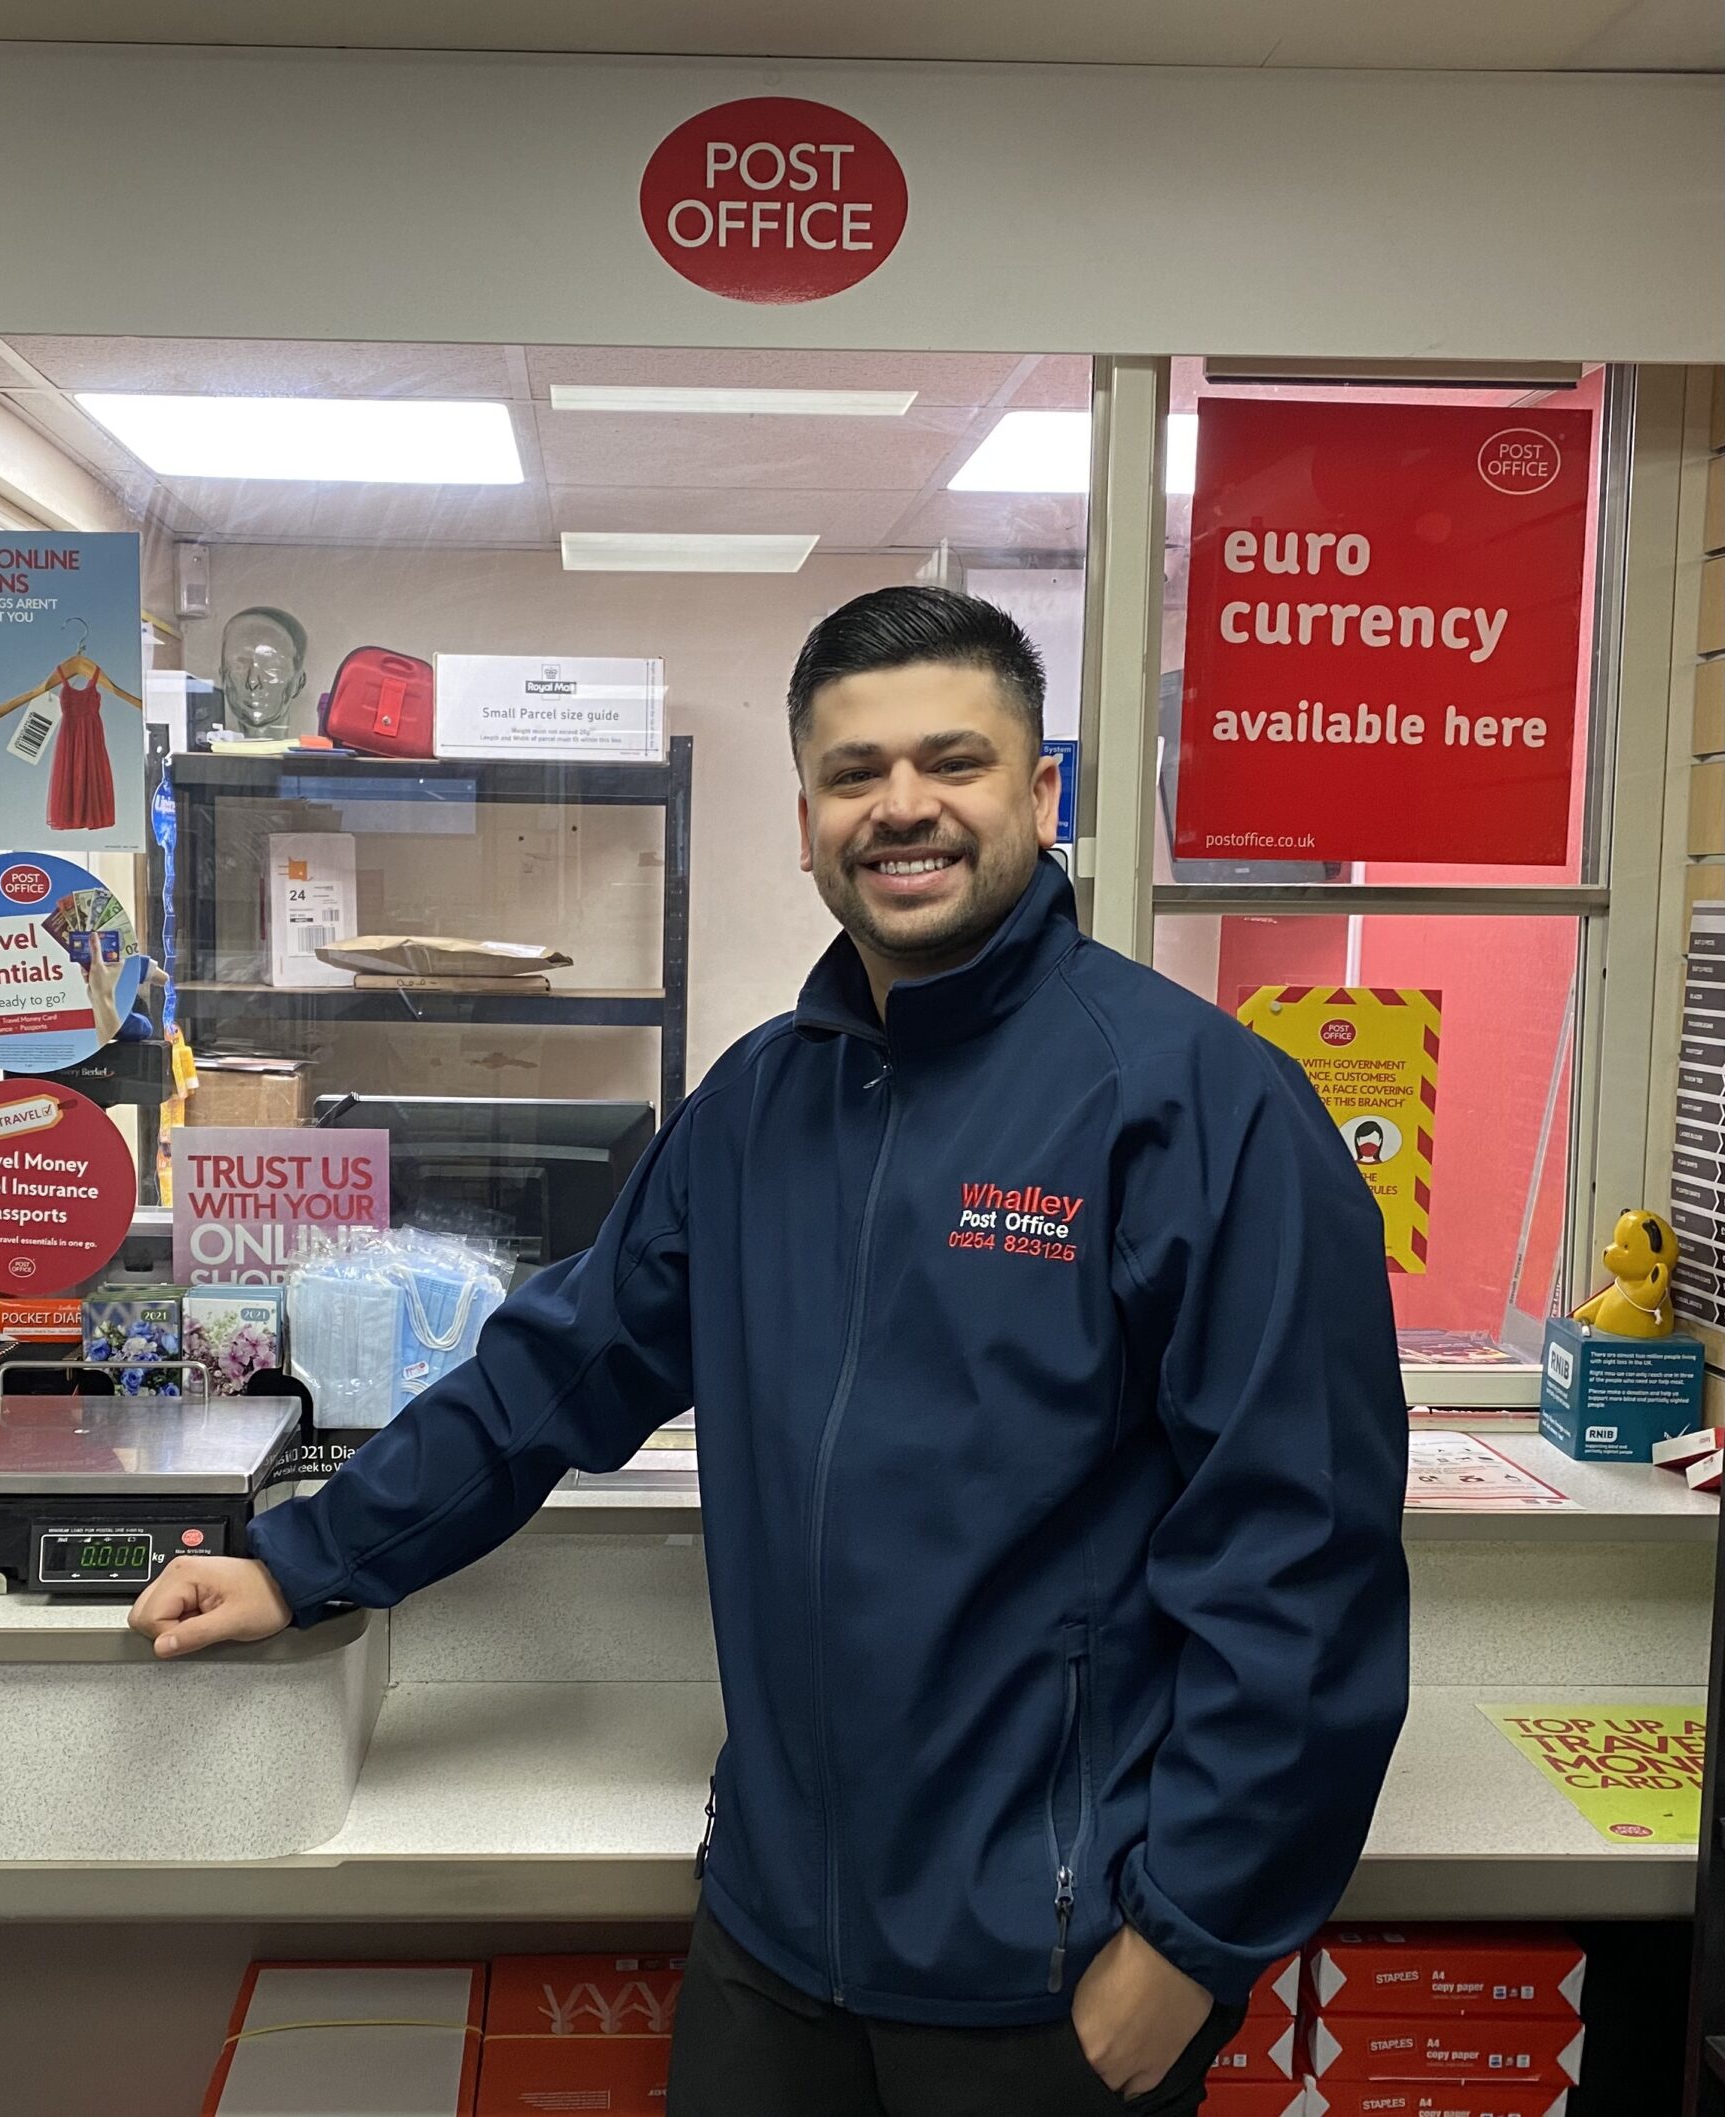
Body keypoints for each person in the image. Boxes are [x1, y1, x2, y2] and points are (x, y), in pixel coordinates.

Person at [131, 587, 1410, 2116]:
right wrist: (305, 1557)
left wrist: (1191, 1940)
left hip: (1053, 1971)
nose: (904, 806)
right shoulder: (753, 1112)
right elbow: (558, 1369)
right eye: (855, 773)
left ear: (1042, 792)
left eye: (956, 760)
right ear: (805, 820)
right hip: (772, 1940)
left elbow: (1304, 1559)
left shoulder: (1202, 1110)